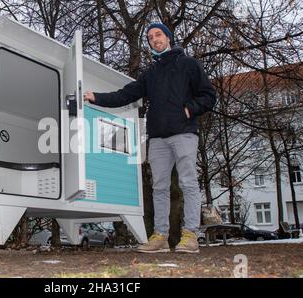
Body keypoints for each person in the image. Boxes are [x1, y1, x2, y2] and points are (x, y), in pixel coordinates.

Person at [83, 23, 216, 253]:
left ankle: (191, 235)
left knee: (188, 183)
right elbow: (125, 94)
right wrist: (95, 97)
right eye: (150, 37)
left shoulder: (188, 64)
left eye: (158, 35)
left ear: (168, 37)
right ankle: (161, 237)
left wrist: (189, 110)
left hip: (184, 133)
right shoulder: (151, 74)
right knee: (159, 187)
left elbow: (209, 95)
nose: (154, 39)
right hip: (157, 139)